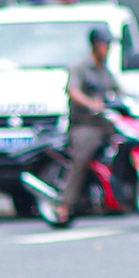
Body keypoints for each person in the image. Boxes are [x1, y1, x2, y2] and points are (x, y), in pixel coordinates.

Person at [55, 25, 122, 224]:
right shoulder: (80, 67)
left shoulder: (105, 69)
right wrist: (91, 103)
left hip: (104, 124)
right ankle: (64, 205)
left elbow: (119, 90)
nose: (107, 48)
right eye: (105, 44)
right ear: (95, 45)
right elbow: (73, 91)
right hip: (84, 124)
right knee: (81, 160)